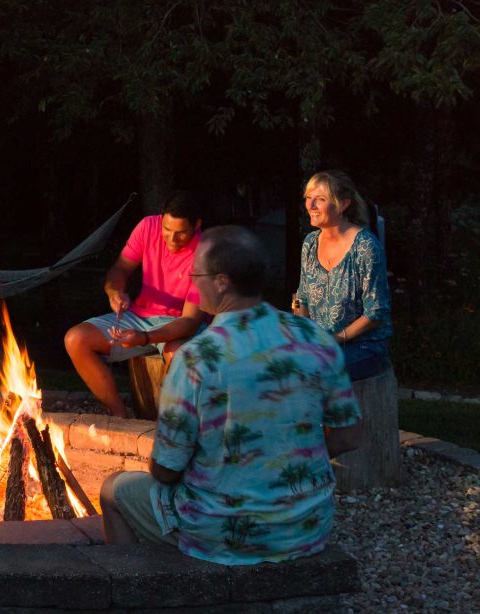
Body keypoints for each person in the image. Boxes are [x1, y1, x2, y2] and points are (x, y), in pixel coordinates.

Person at [99, 226, 362, 565]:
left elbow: (165, 469)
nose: (192, 282)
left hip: (223, 531)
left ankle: (136, 589)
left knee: (114, 489)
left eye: (196, 273)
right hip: (306, 526)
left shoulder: (197, 357)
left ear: (221, 282)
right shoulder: (314, 338)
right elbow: (350, 434)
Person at [64, 192, 206, 418]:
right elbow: (120, 269)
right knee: (75, 339)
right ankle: (121, 417)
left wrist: (144, 338)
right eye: (167, 231)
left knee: (178, 355)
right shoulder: (148, 227)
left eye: (180, 234)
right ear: (161, 219)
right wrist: (115, 292)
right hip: (141, 315)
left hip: (179, 324)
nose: (171, 239)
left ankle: (174, 430)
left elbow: (189, 322)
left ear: (197, 225)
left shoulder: (206, 253)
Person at [293, 170, 392, 381]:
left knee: (312, 372)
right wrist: (303, 334)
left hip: (362, 346)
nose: (310, 206)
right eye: (308, 198)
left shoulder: (365, 247)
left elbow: (375, 313)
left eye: (319, 199)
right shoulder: (310, 243)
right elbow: (302, 298)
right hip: (322, 344)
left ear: (343, 204)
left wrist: (334, 340)